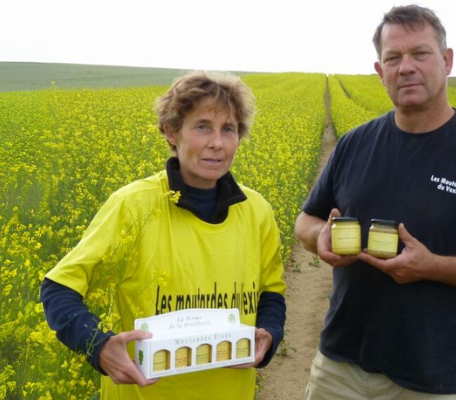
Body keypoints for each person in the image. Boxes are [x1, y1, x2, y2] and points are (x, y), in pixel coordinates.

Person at [295, 5, 456, 399]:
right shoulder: (355, 144)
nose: (405, 67)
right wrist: (318, 237)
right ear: (380, 72)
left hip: (434, 378)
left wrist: (432, 267)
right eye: (393, 57)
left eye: (420, 53)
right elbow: (306, 220)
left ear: (446, 61)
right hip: (340, 367)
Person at [41, 71, 286, 400]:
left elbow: (271, 292)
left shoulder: (257, 211)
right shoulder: (132, 206)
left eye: (228, 129)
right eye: (202, 127)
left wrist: (269, 333)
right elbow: (58, 289)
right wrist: (97, 346)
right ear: (171, 132)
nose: (217, 143)